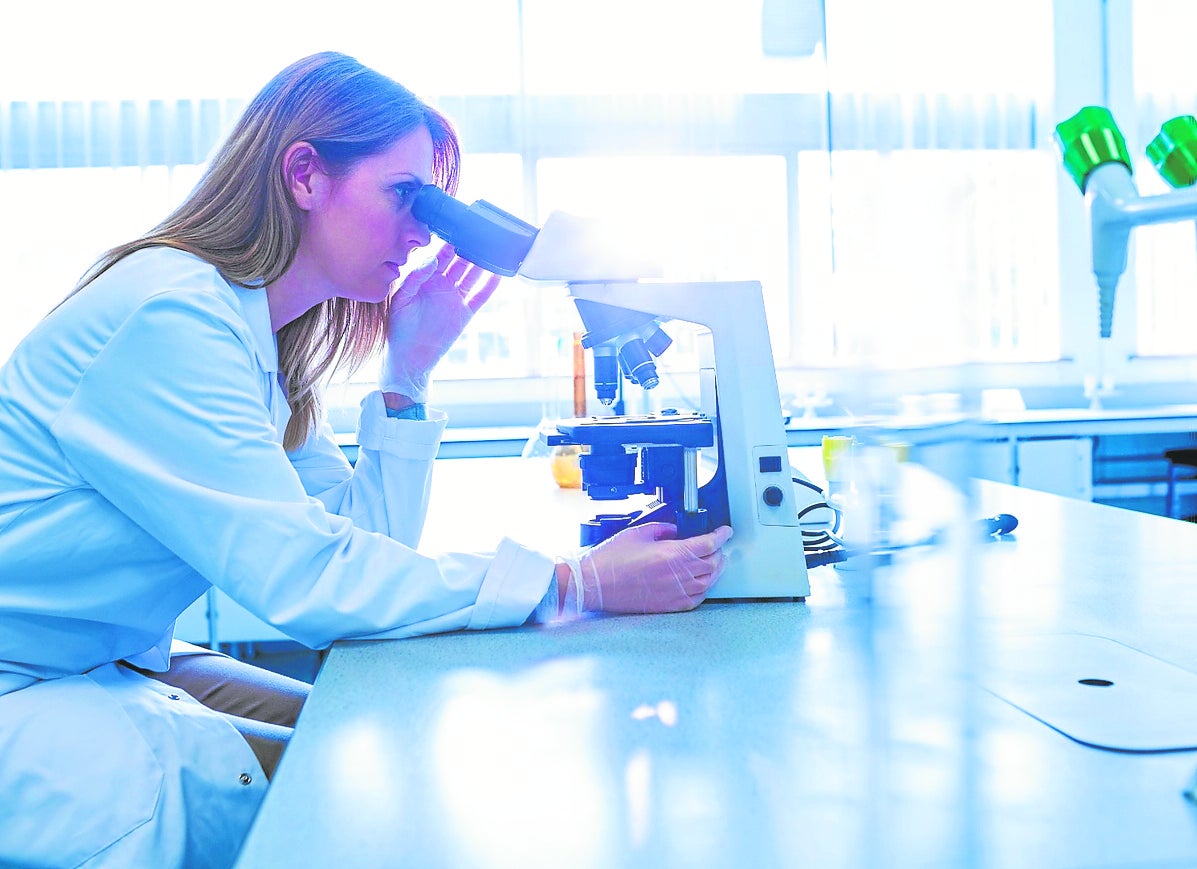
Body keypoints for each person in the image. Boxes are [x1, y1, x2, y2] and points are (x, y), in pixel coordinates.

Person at [0, 51, 733, 867]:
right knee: (348, 801)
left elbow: (358, 537)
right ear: (305, 175)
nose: (422, 233)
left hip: (88, 661)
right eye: (405, 196)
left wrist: (407, 373)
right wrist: (580, 582)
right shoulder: (172, 318)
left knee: (353, 730)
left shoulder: (256, 338)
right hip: (24, 688)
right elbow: (309, 581)